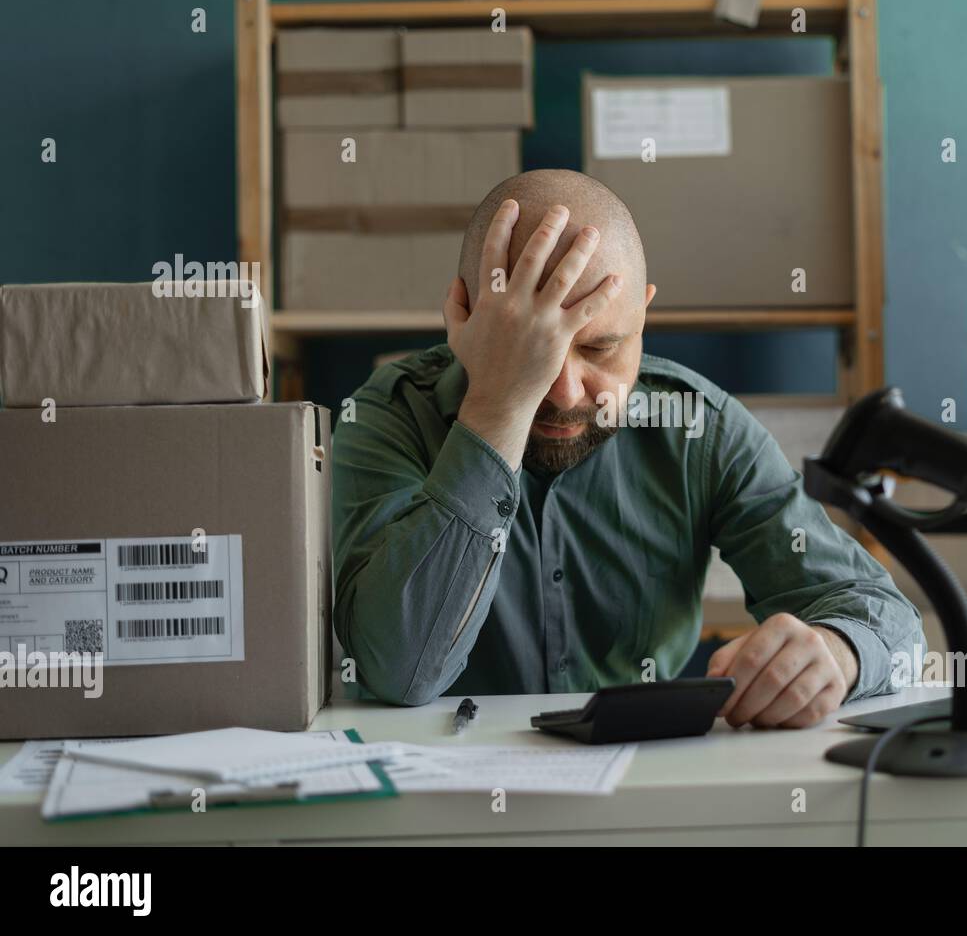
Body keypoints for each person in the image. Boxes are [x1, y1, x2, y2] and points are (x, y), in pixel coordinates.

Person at [332, 168, 924, 729]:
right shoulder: (386, 419)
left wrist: (838, 651)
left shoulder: (699, 429)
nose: (564, 393)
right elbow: (399, 671)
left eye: (602, 348)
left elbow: (890, 621)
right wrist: (497, 408)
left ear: (645, 314)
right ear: (462, 317)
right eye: (528, 348)